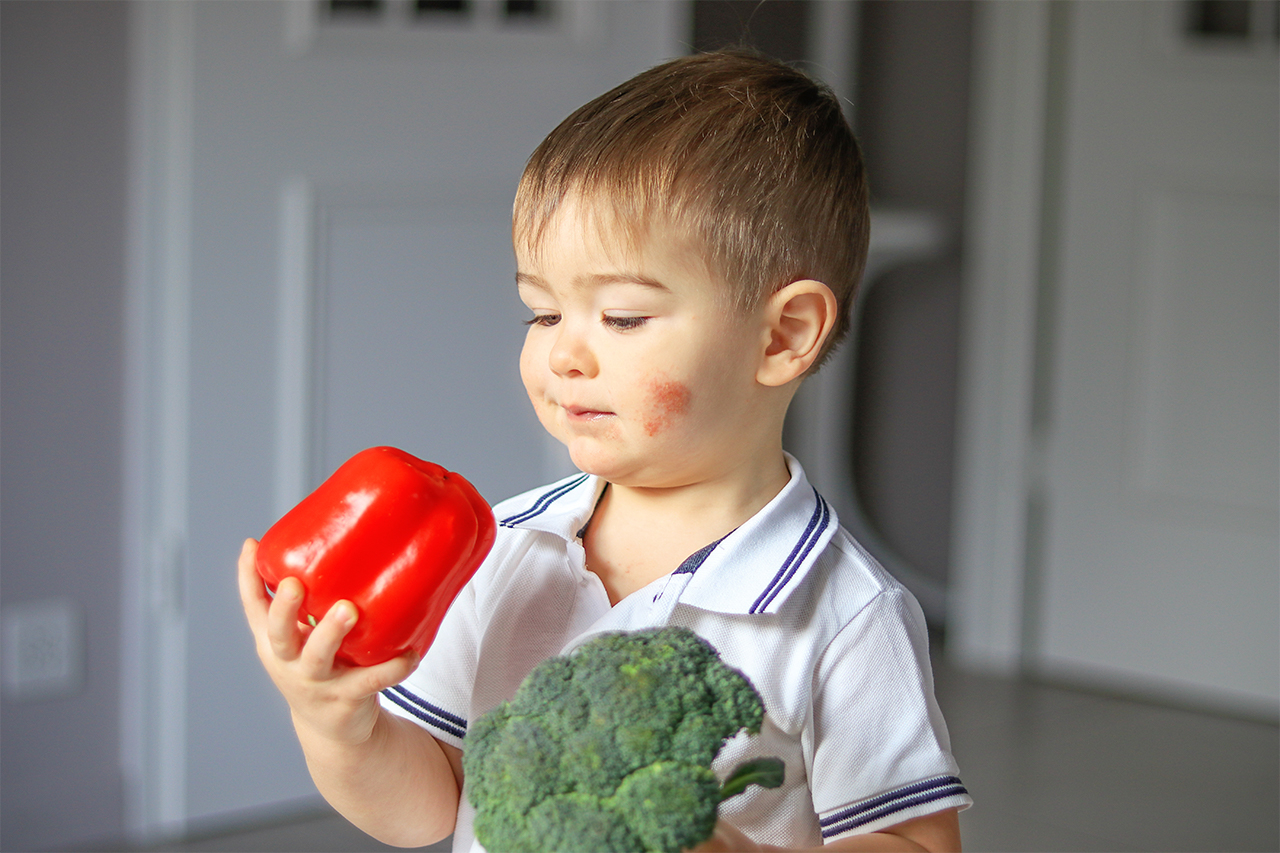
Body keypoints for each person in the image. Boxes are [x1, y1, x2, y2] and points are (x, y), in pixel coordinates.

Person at [239, 49, 970, 852]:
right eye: (542, 314)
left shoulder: (844, 615)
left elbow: (918, 844)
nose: (562, 355)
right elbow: (427, 809)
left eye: (621, 317)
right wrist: (339, 726)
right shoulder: (501, 549)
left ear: (783, 335)